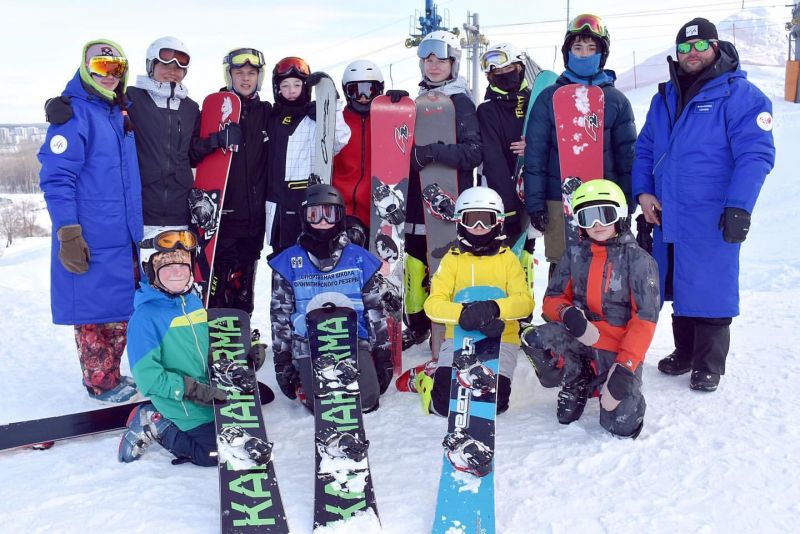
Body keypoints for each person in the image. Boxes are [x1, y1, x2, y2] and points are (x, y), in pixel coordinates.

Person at [632, 18, 775, 392]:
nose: (691, 53)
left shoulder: (741, 96)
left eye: (700, 46)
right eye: (684, 47)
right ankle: (685, 353)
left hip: (711, 213)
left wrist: (739, 206)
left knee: (710, 284)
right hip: (667, 212)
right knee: (676, 282)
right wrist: (643, 193)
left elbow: (755, 154)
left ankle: (708, 364)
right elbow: (645, 149)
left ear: (715, 47)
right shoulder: (663, 97)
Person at [38, 39, 142, 402]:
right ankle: (100, 383)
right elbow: (57, 177)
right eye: (100, 68)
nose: (109, 76)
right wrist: (68, 232)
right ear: (86, 69)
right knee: (92, 315)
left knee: (118, 309)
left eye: (116, 69)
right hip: (90, 235)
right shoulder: (75, 114)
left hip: (121, 234)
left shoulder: (115, 111)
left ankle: (112, 375)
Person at [118, 230, 272, 465]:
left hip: (207, 390)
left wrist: (246, 352)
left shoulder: (192, 301)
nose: (177, 272)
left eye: (183, 265)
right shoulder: (145, 319)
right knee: (216, 454)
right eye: (167, 266)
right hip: (180, 401)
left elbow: (204, 344)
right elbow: (148, 378)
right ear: (151, 271)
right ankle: (154, 422)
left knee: (253, 411)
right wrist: (194, 390)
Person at [521, 180, 659, 438]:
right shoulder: (574, 254)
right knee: (535, 339)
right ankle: (577, 379)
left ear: (620, 214)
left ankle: (613, 383)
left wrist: (625, 366)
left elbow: (645, 320)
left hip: (617, 349)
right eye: (587, 216)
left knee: (620, 425)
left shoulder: (639, 261)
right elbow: (552, 299)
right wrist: (567, 313)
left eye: (604, 214)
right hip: (581, 336)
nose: (596, 224)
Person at [45, 37, 201, 236]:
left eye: (178, 68)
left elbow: (193, 152)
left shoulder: (191, 108)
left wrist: (218, 139)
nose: (172, 71)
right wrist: (55, 104)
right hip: (140, 212)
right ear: (151, 65)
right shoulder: (131, 98)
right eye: (165, 65)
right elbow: (99, 101)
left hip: (180, 213)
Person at [523, 13, 636, 279]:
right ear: (568, 52)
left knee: (604, 265)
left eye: (591, 48)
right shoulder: (549, 98)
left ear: (602, 54)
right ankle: (559, 306)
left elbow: (627, 157)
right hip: (558, 198)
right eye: (578, 48)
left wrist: (628, 204)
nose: (584, 54)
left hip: (605, 200)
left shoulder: (616, 100)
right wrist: (536, 205)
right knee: (563, 266)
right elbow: (536, 155)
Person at [268, 185, 391, 413]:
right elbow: (280, 315)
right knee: (323, 402)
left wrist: (382, 353)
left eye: (330, 214)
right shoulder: (289, 262)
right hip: (309, 343)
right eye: (315, 214)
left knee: (366, 399)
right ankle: (304, 379)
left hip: (352, 340)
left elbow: (374, 308)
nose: (323, 221)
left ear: (340, 217)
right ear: (304, 217)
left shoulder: (359, 258)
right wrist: (282, 361)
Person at [421, 186, 533, 415]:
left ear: (498, 222)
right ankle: (424, 380)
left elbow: (525, 303)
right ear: (460, 223)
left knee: (492, 404)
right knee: (444, 406)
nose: (479, 227)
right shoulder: (452, 260)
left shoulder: (508, 260)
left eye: (486, 219)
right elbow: (432, 305)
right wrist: (463, 314)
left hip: (502, 338)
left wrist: (494, 309)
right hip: (459, 338)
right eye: (471, 220)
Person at [404, 30, 483, 350]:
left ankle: (447, 324)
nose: (434, 66)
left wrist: (433, 152)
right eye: (428, 60)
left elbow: (473, 153)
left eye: (441, 60)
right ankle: (418, 325)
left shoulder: (460, 102)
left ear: (454, 64)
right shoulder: (417, 101)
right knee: (414, 262)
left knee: (443, 267)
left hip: (448, 201)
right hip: (416, 201)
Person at [192, 48, 271, 314]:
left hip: (254, 219)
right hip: (223, 218)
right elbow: (191, 153)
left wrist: (313, 106)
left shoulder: (266, 112)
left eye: (251, 73)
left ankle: (241, 329)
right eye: (239, 73)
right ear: (230, 75)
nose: (245, 78)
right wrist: (216, 140)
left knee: (244, 283)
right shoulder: (213, 110)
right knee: (218, 281)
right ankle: (213, 327)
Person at [268, 57, 351, 254]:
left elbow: (340, 140)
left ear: (306, 87)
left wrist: (330, 109)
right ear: (277, 88)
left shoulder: (314, 117)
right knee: (283, 259)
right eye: (285, 85)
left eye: (297, 85)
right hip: (278, 208)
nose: (291, 91)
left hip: (310, 203)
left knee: (312, 257)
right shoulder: (272, 117)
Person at [332, 59, 408, 237]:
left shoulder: (388, 121)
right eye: (355, 90)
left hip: (379, 210)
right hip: (343, 211)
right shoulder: (338, 123)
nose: (363, 97)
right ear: (346, 92)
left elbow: (405, 148)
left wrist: (400, 113)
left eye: (369, 90)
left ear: (379, 90)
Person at [476, 43, 530, 243]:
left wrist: (533, 148)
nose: (503, 75)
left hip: (534, 188)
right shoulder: (487, 110)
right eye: (497, 72)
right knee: (506, 246)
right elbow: (493, 162)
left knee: (529, 247)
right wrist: (508, 210)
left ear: (519, 68)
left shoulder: (535, 101)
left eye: (508, 68)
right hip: (503, 196)